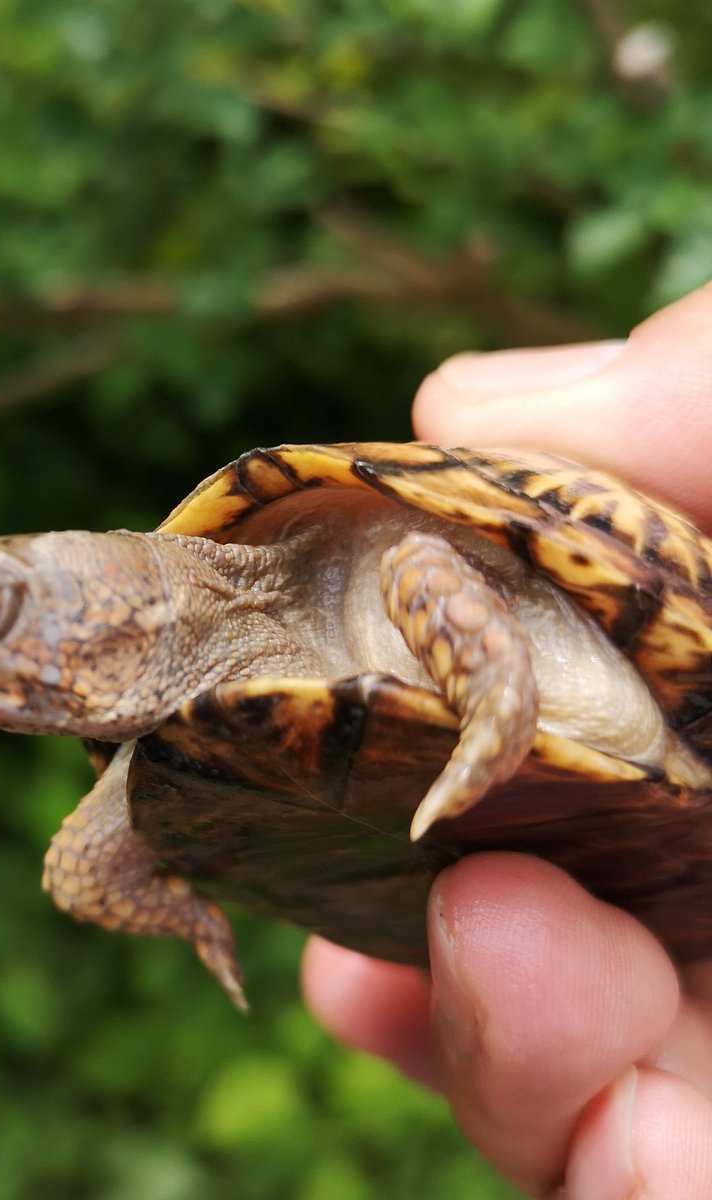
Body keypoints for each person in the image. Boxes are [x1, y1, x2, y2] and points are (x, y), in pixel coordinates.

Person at [303, 283, 712, 1199]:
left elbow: (410, 559)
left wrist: (491, 688)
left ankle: (501, 689)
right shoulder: (161, 742)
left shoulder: (383, 557)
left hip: (640, 703)